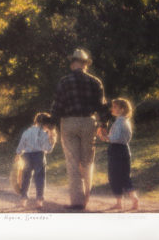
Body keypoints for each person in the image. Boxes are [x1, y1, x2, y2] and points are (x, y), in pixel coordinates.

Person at [51, 48, 110, 210]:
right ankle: (86, 200)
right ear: (85, 65)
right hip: (89, 123)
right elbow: (102, 106)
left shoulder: (64, 82)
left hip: (69, 123)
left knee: (72, 162)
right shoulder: (95, 81)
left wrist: (51, 125)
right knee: (87, 161)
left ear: (73, 64)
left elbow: (58, 105)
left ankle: (76, 201)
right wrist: (104, 125)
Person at [97, 98, 139, 210]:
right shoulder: (125, 121)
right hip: (124, 150)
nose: (112, 109)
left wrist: (105, 137)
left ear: (122, 109)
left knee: (114, 176)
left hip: (116, 150)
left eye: (115, 107)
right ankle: (131, 198)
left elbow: (115, 138)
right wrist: (106, 137)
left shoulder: (119, 122)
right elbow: (121, 138)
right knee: (125, 176)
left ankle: (121, 201)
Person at [15, 112, 57, 208]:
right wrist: (52, 141)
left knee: (26, 178)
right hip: (39, 155)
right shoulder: (44, 134)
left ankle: (23, 199)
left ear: (36, 121)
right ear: (46, 124)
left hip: (26, 155)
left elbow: (22, 143)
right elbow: (48, 149)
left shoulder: (27, 131)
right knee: (40, 178)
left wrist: (18, 153)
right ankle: (39, 200)